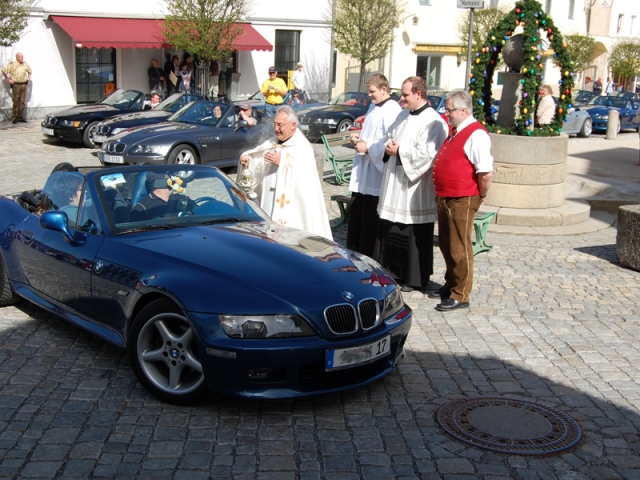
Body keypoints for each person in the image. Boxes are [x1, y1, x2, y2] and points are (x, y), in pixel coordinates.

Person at [373, 76, 447, 293]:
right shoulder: (402, 115)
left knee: (411, 231)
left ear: (418, 93)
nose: (401, 99)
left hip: (414, 188)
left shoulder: (434, 122)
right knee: (391, 227)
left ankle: (414, 278)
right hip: (395, 183)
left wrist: (400, 151)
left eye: (405, 95)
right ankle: (392, 271)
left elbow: (428, 155)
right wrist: (389, 146)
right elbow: (390, 136)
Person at [430, 89, 493, 312]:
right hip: (446, 196)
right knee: (447, 245)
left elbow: (485, 172)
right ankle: (451, 283)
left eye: (450, 110)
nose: (447, 114)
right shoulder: (456, 131)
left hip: (462, 197)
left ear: (463, 111)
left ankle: (461, 293)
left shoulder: (476, 134)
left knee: (460, 247)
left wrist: (482, 195)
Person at [239, 106, 332, 240]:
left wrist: (282, 162)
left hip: (293, 210)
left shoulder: (302, 147)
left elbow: (306, 179)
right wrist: (248, 159)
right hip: (269, 203)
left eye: (280, 125)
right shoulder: (272, 142)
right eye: (274, 124)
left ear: (293, 125)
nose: (276, 128)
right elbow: (259, 159)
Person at [346, 73, 401, 258]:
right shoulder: (373, 107)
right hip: (364, 167)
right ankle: (357, 247)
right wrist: (359, 138)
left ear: (384, 89)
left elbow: (390, 140)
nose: (369, 95)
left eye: (372, 91)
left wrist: (368, 147)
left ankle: (368, 252)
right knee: (359, 207)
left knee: (370, 212)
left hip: (376, 172)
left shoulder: (392, 110)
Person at [130, 172, 194, 221]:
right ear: (159, 182)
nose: (175, 181)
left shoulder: (182, 199)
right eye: (170, 179)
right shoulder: (141, 209)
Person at [2, 52, 32, 124]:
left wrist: (28, 78)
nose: (22, 58)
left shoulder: (25, 64)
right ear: (17, 57)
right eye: (21, 57)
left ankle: (20, 117)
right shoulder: (12, 64)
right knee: (16, 101)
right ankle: (15, 117)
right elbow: (4, 71)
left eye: (22, 56)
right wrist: (8, 79)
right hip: (16, 85)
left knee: (22, 102)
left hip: (23, 85)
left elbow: (30, 71)